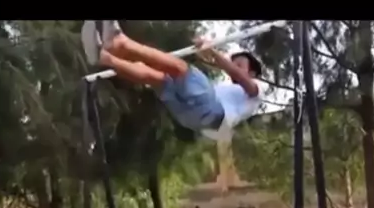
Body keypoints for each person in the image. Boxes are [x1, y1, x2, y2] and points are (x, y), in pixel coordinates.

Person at [81, 20, 267, 141]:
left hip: (212, 114)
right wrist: (206, 54)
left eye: (240, 64)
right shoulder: (229, 92)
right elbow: (221, 79)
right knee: (157, 78)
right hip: (193, 119)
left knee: (180, 68)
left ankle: (120, 42)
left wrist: (214, 53)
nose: (234, 67)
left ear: (252, 72)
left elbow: (241, 78)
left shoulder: (259, 86)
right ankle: (105, 58)